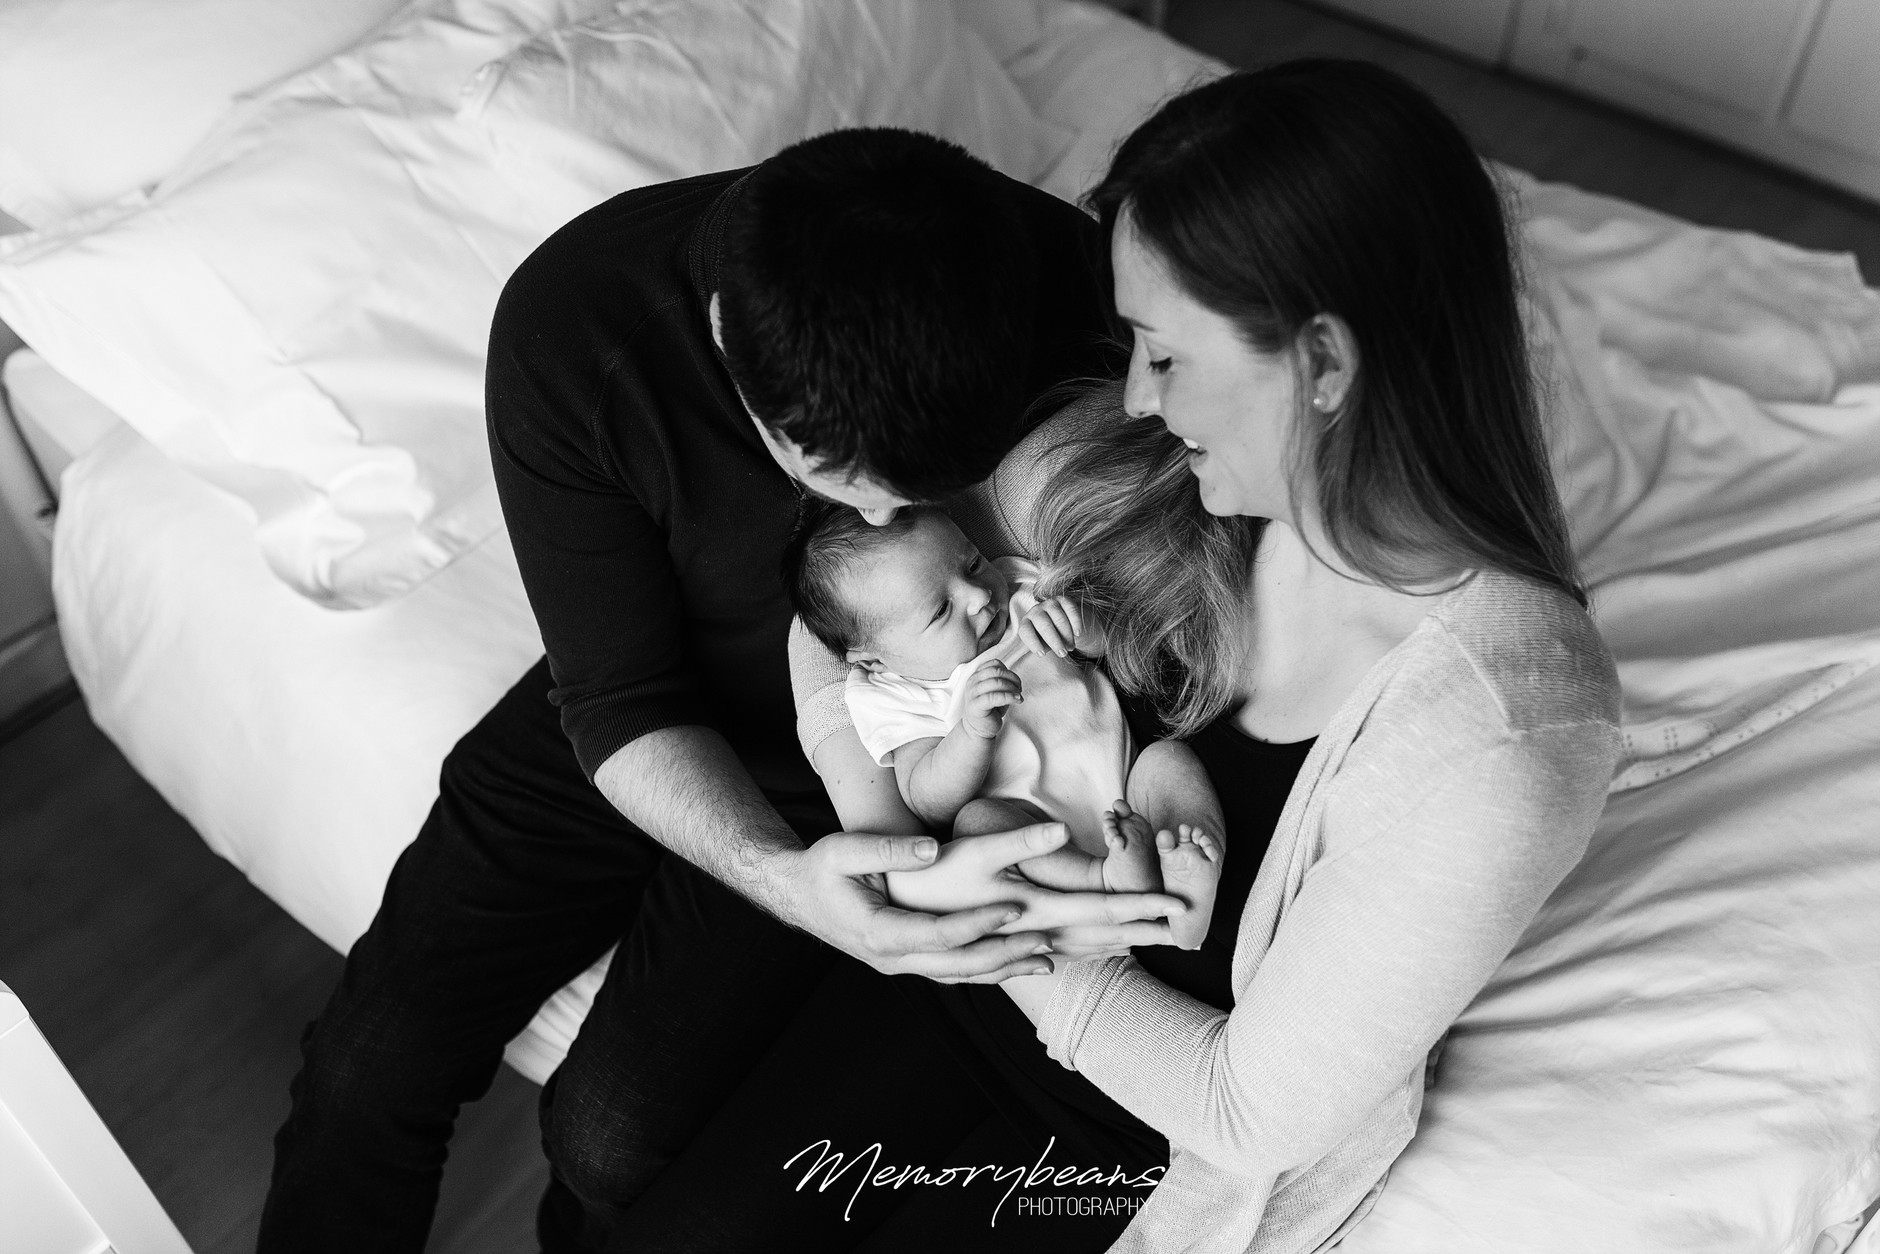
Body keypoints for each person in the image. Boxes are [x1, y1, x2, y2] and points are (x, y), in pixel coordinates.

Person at [603, 59, 1623, 1254]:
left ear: (1326, 367)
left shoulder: (1499, 732)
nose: (1134, 395)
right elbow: (839, 613)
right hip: (961, 992)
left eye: (1165, 353)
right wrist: (878, 813)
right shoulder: (1130, 481)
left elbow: (1245, 1114)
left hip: (1134, 1138)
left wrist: (993, 931)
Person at [256, 128, 1187, 1253]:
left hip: (871, 751)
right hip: (632, 688)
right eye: (842, 485)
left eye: (923, 491)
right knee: (368, 1064)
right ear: (721, 339)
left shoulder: (1055, 275)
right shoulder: (578, 326)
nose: (888, 519)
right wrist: (780, 886)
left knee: (605, 1137)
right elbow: (615, 695)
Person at [782, 500, 1223, 938]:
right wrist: (971, 733)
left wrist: (1080, 626)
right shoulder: (894, 694)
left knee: (1169, 759)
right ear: (875, 660)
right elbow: (924, 798)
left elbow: (1115, 642)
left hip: (1129, 784)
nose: (977, 597)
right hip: (1033, 825)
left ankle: (1188, 881)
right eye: (940, 611)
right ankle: (1103, 879)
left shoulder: (1020, 590)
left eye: (972, 563)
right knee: (978, 822)